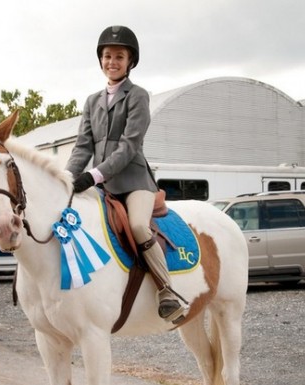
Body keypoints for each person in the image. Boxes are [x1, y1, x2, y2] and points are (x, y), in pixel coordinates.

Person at [66, 25, 184, 323]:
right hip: (101, 185)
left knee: (138, 227)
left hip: (133, 182)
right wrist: (67, 177)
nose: (112, 61)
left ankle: (167, 291)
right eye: (107, 56)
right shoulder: (92, 101)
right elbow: (83, 146)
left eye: (119, 56)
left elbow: (129, 146)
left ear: (130, 62)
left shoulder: (138, 96)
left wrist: (93, 176)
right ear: (101, 60)